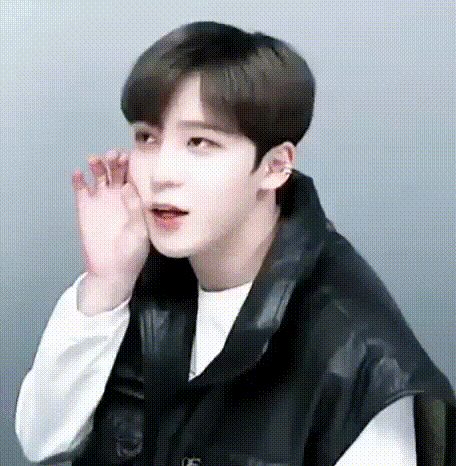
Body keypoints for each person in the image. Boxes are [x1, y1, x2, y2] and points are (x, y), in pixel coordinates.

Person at [15, 22, 455, 466]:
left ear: (276, 166)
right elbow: (42, 439)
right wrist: (106, 285)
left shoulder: (360, 353)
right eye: (147, 137)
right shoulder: (139, 274)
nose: (161, 173)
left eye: (199, 142)